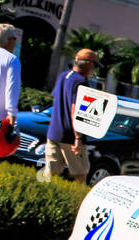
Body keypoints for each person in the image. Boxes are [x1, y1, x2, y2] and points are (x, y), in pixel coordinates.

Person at [43, 48, 98, 184]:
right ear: (88, 63)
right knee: (81, 174)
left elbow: (57, 100)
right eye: (95, 65)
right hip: (70, 137)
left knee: (49, 174)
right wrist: (78, 138)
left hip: (54, 132)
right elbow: (76, 111)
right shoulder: (80, 82)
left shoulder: (63, 76)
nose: (94, 69)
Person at [0, 24, 21, 153]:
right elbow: (11, 89)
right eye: (15, 39)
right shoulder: (12, 60)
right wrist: (12, 113)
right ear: (10, 40)